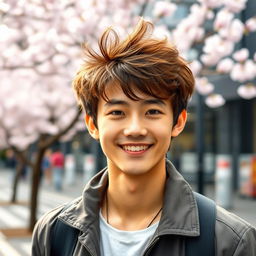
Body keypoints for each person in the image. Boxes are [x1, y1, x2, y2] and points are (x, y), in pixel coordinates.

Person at [32, 18, 256, 255]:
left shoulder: (229, 242)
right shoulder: (54, 233)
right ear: (92, 125)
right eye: (117, 112)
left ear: (177, 122)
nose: (135, 129)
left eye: (152, 111)